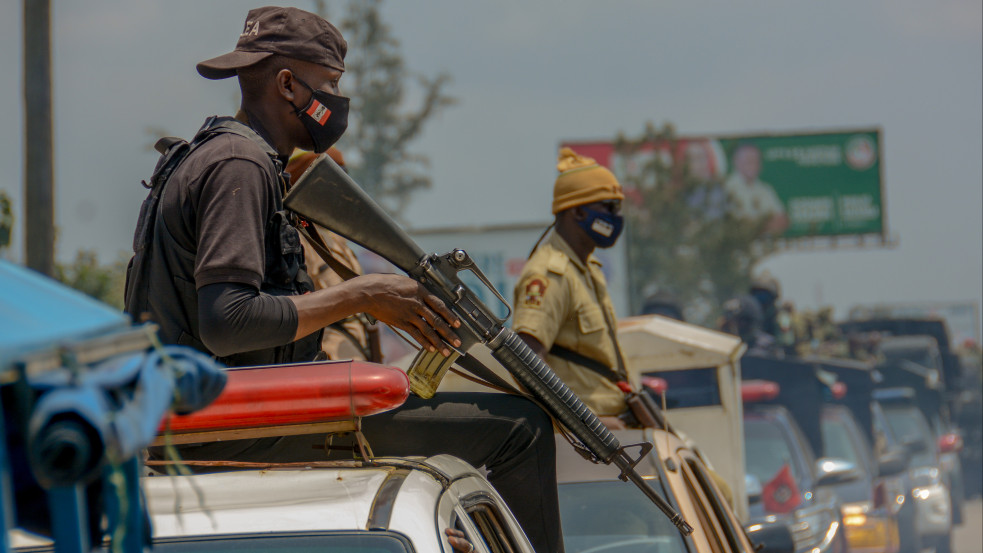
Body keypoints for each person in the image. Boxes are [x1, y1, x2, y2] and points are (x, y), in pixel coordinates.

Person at [128, 8, 561, 552]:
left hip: (221, 417)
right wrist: (365, 295)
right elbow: (226, 320)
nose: (335, 100)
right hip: (244, 426)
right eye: (329, 84)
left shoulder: (225, 156)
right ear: (288, 84)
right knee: (521, 430)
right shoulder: (241, 164)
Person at [512, 147, 629, 421]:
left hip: (613, 426)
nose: (615, 216)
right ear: (577, 212)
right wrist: (583, 427)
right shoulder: (550, 274)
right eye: (609, 207)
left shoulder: (589, 269)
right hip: (586, 438)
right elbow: (527, 363)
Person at [285, 147, 375, 361]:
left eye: (344, 176)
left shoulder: (336, 238)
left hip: (357, 358)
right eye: (333, 178)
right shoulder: (293, 239)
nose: (342, 187)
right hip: (325, 364)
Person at [723, 142, 788, 235]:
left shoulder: (765, 189)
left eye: (756, 160)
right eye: (749, 160)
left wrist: (758, 227)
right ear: (736, 161)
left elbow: (782, 220)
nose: (753, 164)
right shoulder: (726, 188)